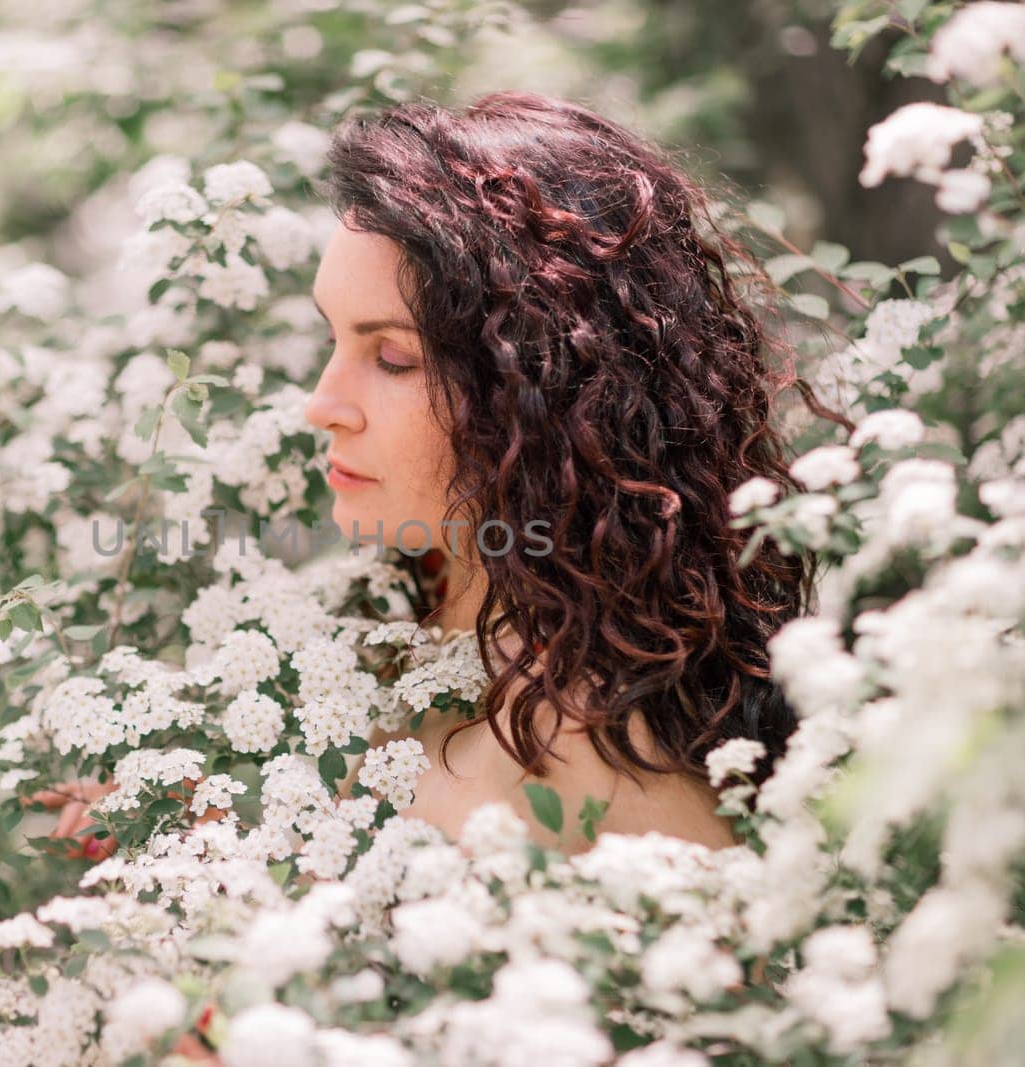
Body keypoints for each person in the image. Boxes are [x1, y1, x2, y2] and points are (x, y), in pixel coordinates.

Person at [309, 89, 847, 856]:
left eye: (393, 358)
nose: (322, 405)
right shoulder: (408, 616)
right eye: (333, 340)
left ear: (540, 390)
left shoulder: (613, 777)